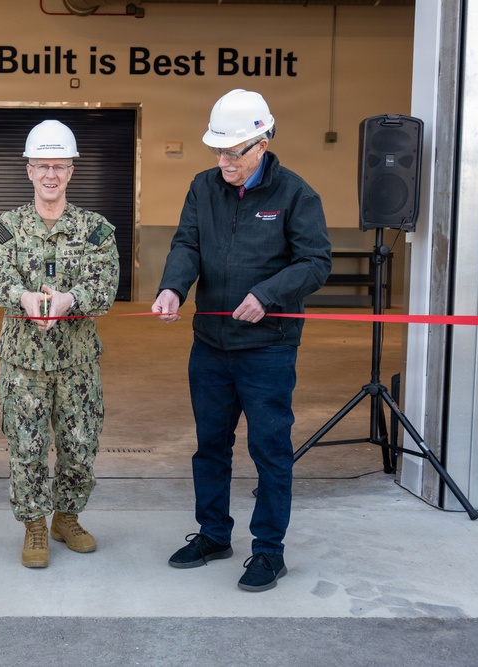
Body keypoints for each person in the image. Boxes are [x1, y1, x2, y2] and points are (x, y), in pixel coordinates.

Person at [152, 90, 331, 592]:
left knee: (270, 449)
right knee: (210, 446)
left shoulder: (296, 195)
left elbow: (315, 263)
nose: (224, 162)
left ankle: (269, 551)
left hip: (268, 347)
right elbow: (187, 243)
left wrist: (268, 295)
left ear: (263, 142)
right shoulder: (203, 187)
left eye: (234, 153)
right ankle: (213, 534)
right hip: (210, 344)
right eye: (218, 152)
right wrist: (173, 287)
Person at [0, 119, 120, 569]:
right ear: (28, 170)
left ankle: (67, 517)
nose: (50, 175)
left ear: (71, 171)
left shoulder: (95, 229)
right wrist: (23, 297)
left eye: (59, 166)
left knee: (80, 444)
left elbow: (106, 284)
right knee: (27, 447)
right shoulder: (6, 228)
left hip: (77, 362)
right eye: (42, 165)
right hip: (23, 363)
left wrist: (70, 299)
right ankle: (35, 526)